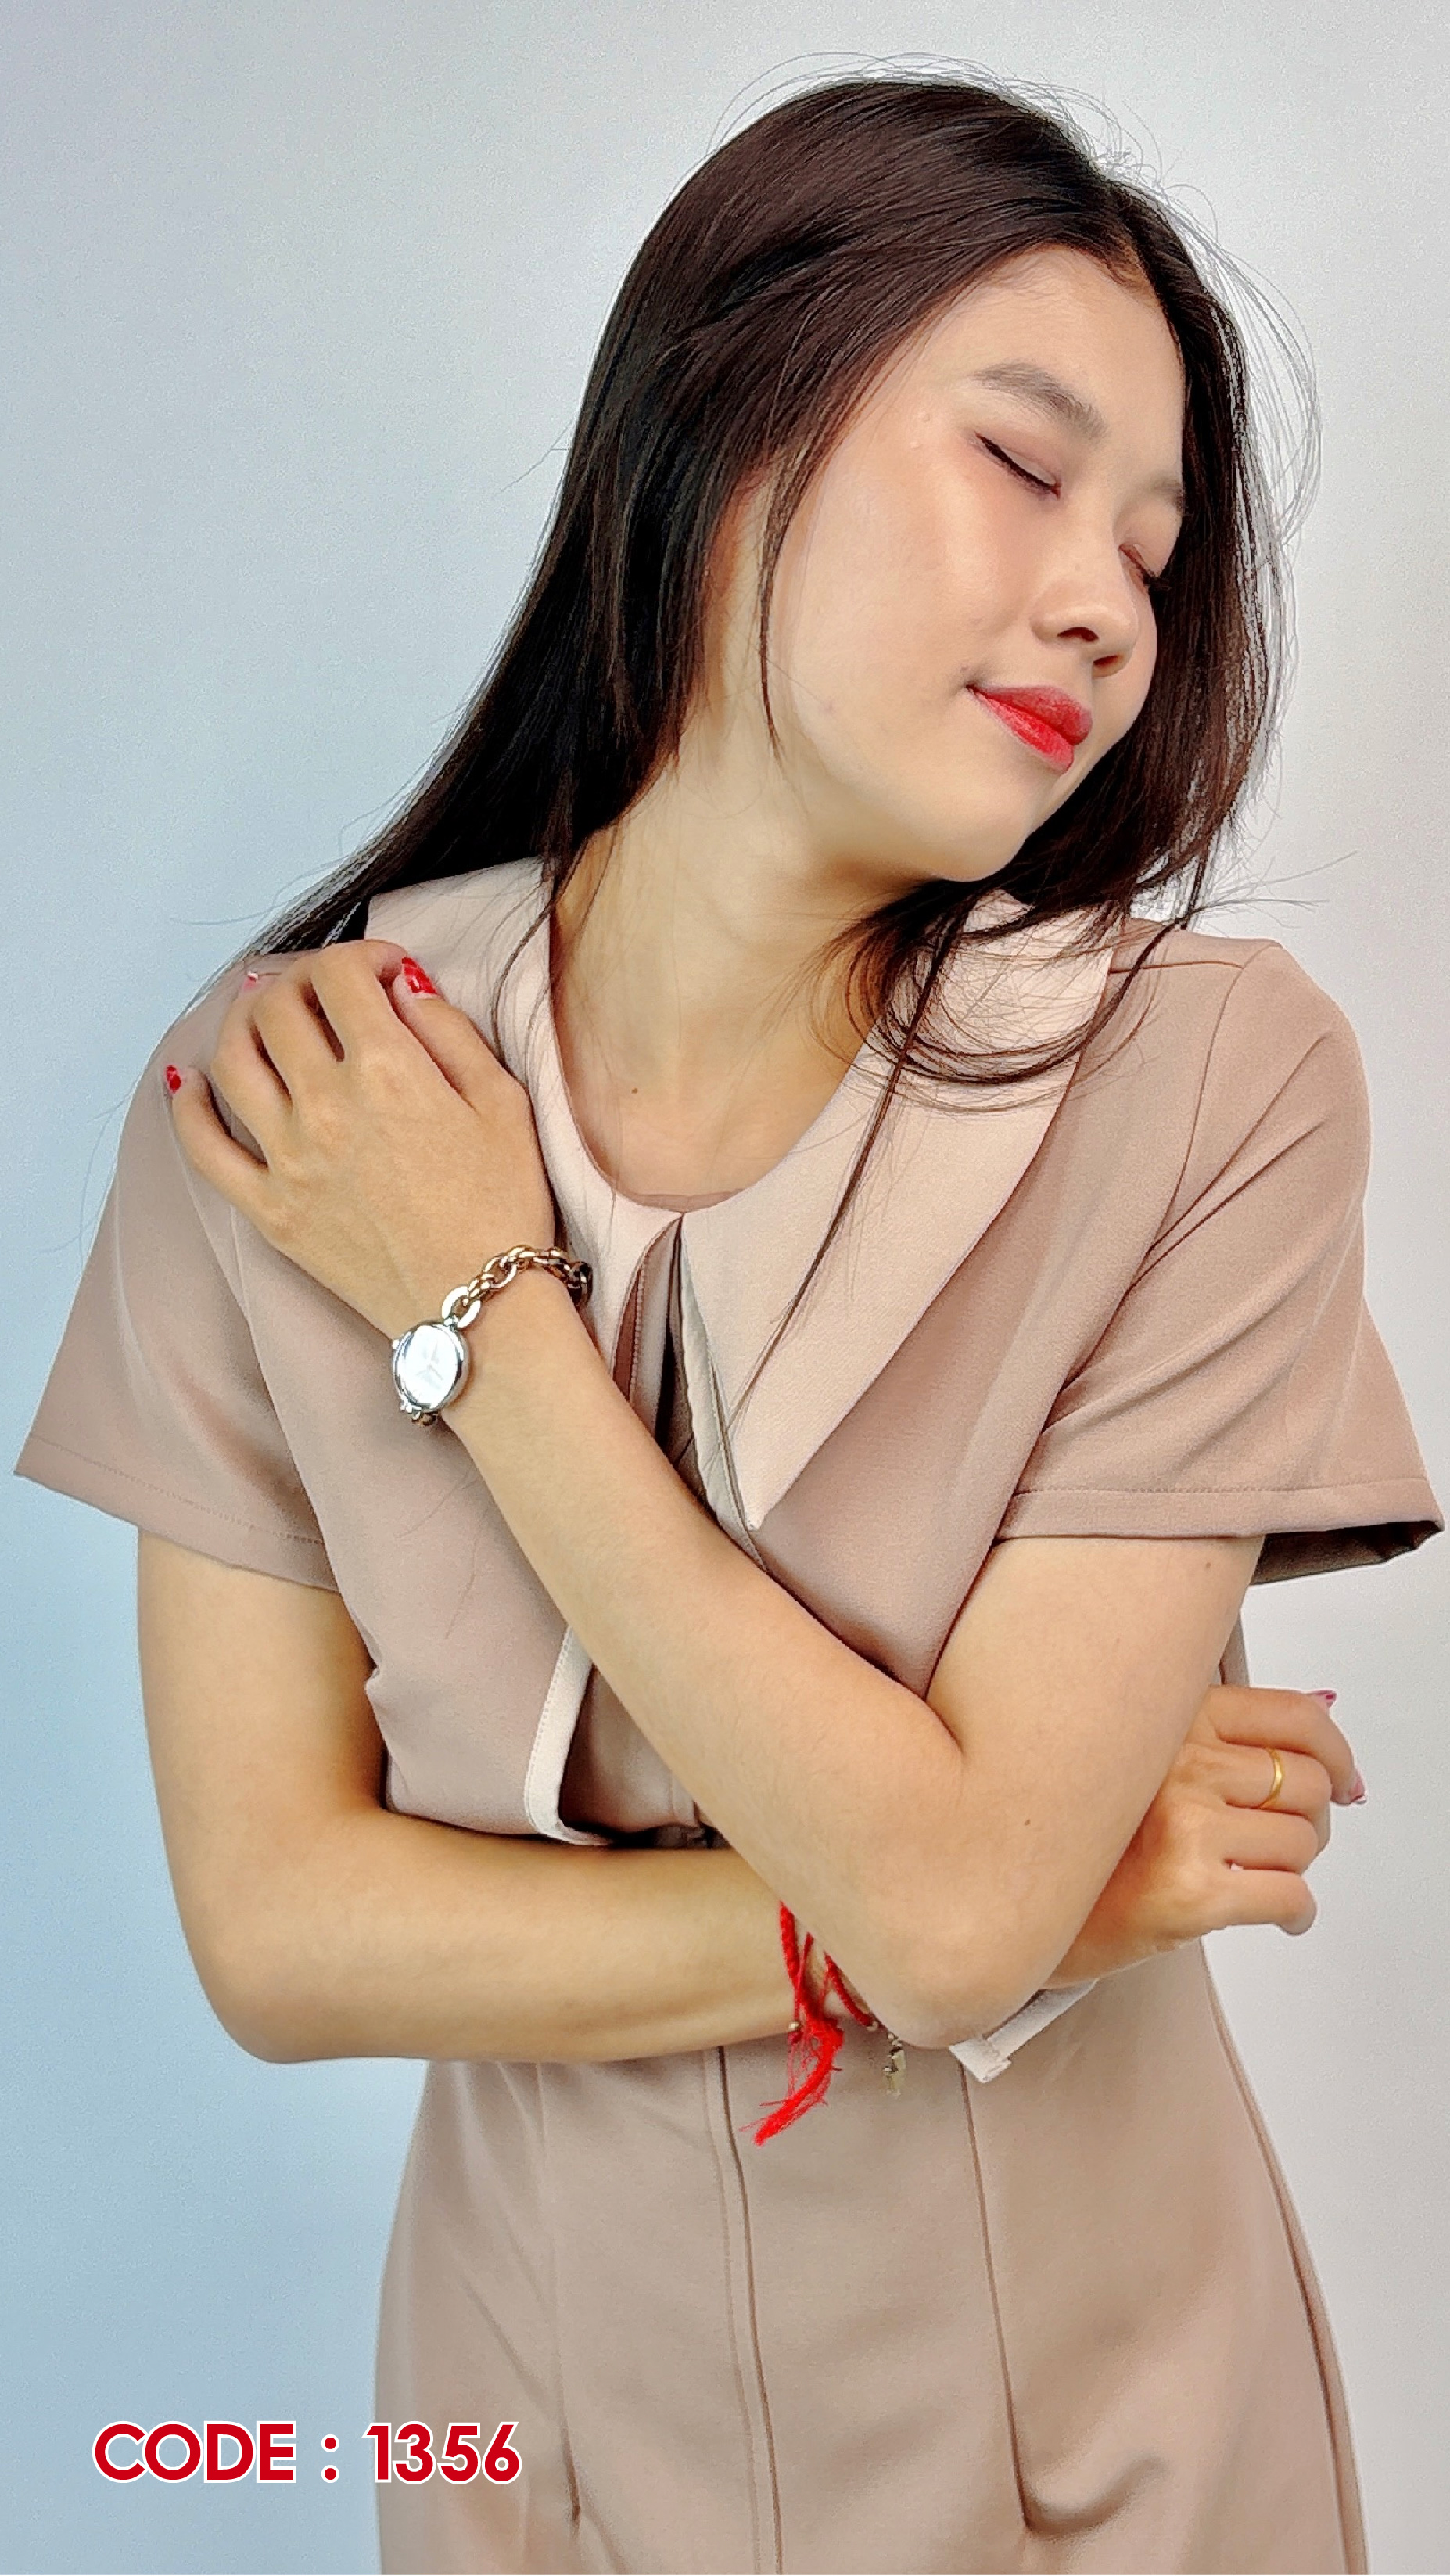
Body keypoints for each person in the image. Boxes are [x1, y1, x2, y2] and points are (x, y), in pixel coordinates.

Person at [13, 70, 1443, 2576]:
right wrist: (956, 1904)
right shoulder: (286, 1104)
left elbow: (959, 1913)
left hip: (1112, 2475)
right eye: (1024, 464)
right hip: (535, 2466)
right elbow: (282, 1934)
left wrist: (482, 1318)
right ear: (722, 418)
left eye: (1154, 547)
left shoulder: (1211, 1086)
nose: (1109, 603)